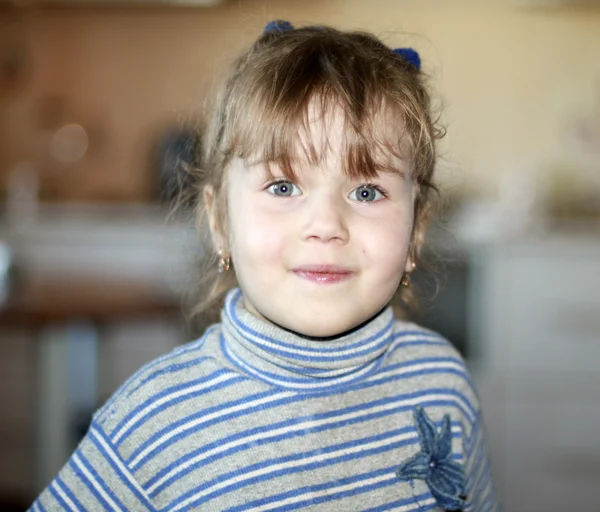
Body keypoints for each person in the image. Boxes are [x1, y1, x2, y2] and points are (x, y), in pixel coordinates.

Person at [30, 20, 500, 512]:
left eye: (366, 191)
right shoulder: (152, 423)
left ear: (416, 232)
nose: (325, 225)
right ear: (219, 221)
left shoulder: (444, 383)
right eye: (283, 187)